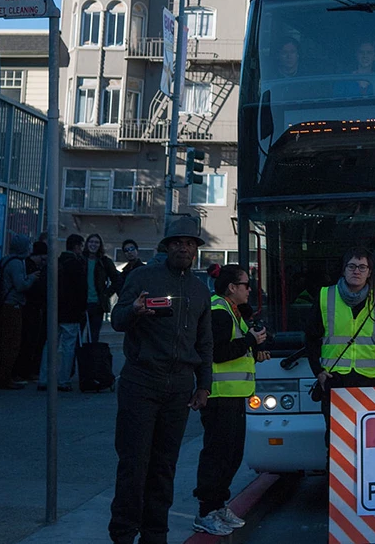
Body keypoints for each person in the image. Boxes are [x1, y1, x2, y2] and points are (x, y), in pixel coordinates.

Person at [108, 216, 213, 544]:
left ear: (196, 250)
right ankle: (124, 533)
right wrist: (134, 311)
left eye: (190, 243)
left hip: (179, 388)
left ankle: (156, 535)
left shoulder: (199, 289)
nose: (184, 247)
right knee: (134, 465)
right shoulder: (142, 277)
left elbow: (205, 342)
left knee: (164, 467)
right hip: (141, 383)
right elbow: (117, 320)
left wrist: (204, 385)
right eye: (178, 242)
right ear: (166, 246)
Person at [192, 265, 269, 536]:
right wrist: (249, 340)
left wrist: (255, 345)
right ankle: (205, 511)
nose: (250, 289)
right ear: (231, 288)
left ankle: (218, 504)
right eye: (246, 285)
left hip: (234, 396)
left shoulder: (232, 311)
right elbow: (218, 353)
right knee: (217, 453)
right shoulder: (219, 312)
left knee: (232, 453)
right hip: (219, 396)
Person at [305, 248, 375, 445]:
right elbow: (311, 338)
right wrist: (318, 372)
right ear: (344, 270)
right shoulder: (325, 296)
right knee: (336, 440)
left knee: (373, 440)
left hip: (372, 381)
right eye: (352, 266)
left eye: (362, 267)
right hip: (335, 379)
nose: (357, 271)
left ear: (370, 272)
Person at [0, 234, 40, 390]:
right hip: (12, 305)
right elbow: (20, 285)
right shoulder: (16, 263)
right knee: (11, 343)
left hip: (3, 305)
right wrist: (31, 278)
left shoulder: (6, 260)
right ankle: (4, 378)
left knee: (0, 341)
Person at [38, 234, 87, 392]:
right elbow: (81, 289)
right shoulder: (77, 264)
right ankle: (63, 380)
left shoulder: (55, 262)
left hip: (53, 310)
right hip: (71, 311)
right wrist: (82, 308)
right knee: (68, 347)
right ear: (77, 246)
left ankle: (43, 379)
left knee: (50, 345)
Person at [14, 241, 48, 383]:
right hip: (28, 307)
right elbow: (25, 286)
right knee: (27, 340)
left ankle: (26, 371)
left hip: (32, 307)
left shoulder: (27, 265)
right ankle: (23, 372)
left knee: (32, 341)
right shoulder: (26, 266)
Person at [84, 234, 121, 343]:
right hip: (81, 304)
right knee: (78, 337)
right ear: (87, 244)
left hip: (97, 304)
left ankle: (91, 358)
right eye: (91, 242)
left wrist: (106, 294)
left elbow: (116, 280)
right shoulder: (81, 260)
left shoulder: (105, 261)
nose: (93, 245)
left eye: (96, 242)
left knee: (94, 335)